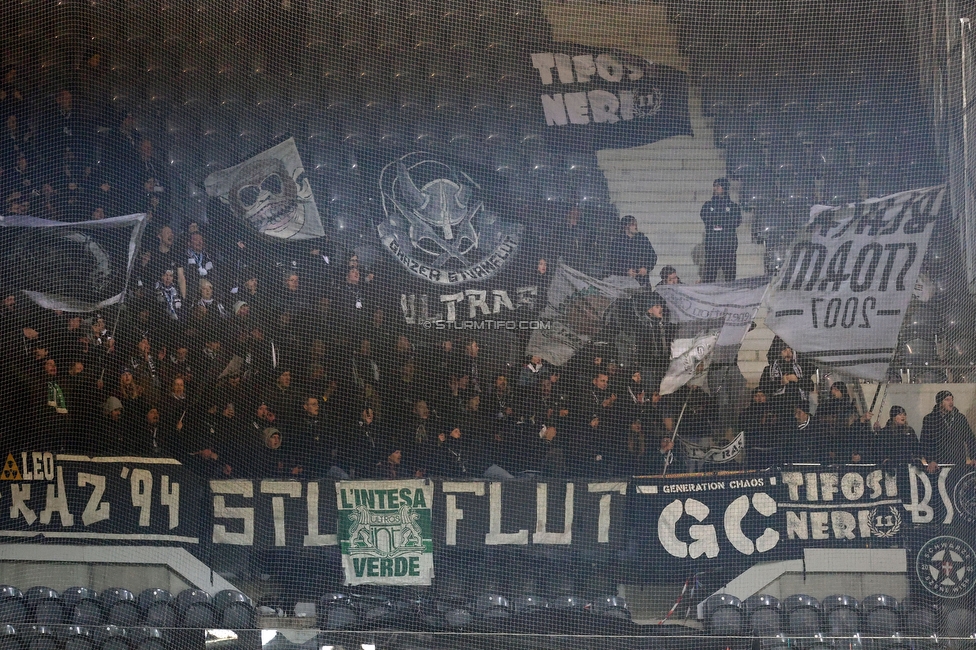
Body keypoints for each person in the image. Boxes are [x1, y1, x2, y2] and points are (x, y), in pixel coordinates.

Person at [920, 390, 975, 472]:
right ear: (940, 403)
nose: (951, 402)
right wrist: (930, 460)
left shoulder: (960, 418)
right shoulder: (930, 419)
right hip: (939, 465)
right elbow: (925, 442)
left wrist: (974, 457)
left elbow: (970, 439)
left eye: (952, 399)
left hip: (958, 464)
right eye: (947, 400)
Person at [699, 177, 742, 282]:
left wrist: (720, 222)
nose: (715, 188)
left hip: (728, 247)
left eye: (718, 186)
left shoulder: (734, 207)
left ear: (725, 187)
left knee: (730, 278)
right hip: (712, 247)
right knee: (709, 278)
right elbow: (706, 218)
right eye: (714, 186)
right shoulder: (707, 205)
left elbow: (736, 222)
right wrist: (723, 220)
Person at [606, 215, 657, 285]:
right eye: (632, 225)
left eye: (636, 224)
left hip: (642, 280)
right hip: (623, 280)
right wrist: (626, 271)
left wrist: (646, 268)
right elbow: (612, 261)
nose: (635, 227)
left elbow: (652, 257)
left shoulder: (643, 240)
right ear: (626, 226)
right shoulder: (617, 242)